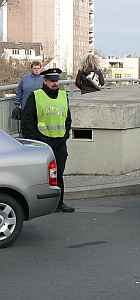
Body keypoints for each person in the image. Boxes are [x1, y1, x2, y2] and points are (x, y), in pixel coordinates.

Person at [21, 68, 75, 213]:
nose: (54, 83)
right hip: (42, 143)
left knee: (59, 174)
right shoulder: (36, 96)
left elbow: (67, 118)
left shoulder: (64, 95)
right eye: (51, 81)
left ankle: (59, 203)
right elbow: (27, 121)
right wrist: (35, 141)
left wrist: (65, 136)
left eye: (56, 80)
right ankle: (41, 205)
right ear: (44, 81)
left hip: (59, 142)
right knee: (42, 175)